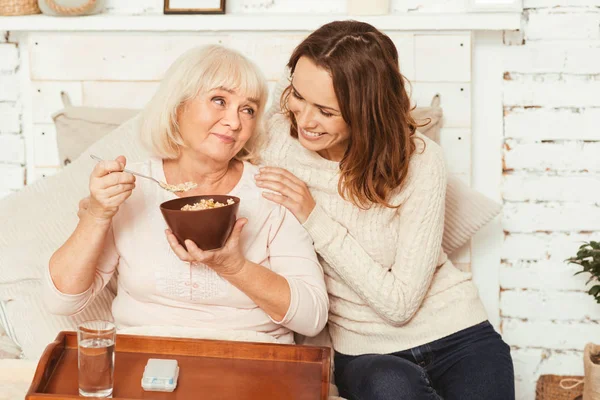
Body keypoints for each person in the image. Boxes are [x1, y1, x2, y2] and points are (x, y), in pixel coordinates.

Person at [255, 20, 515, 399]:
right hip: (365, 352)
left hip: (458, 333)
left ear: (365, 110)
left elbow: (400, 304)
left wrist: (313, 216)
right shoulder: (276, 140)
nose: (305, 120)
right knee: (390, 386)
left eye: (326, 111)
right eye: (298, 96)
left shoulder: (420, 160)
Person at [43, 45, 328, 344]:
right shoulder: (131, 186)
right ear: (178, 106)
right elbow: (61, 302)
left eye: (248, 110)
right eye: (219, 100)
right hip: (144, 357)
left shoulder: (271, 190)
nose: (234, 122)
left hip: (250, 358)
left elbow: (312, 317)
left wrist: (234, 266)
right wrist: (97, 215)